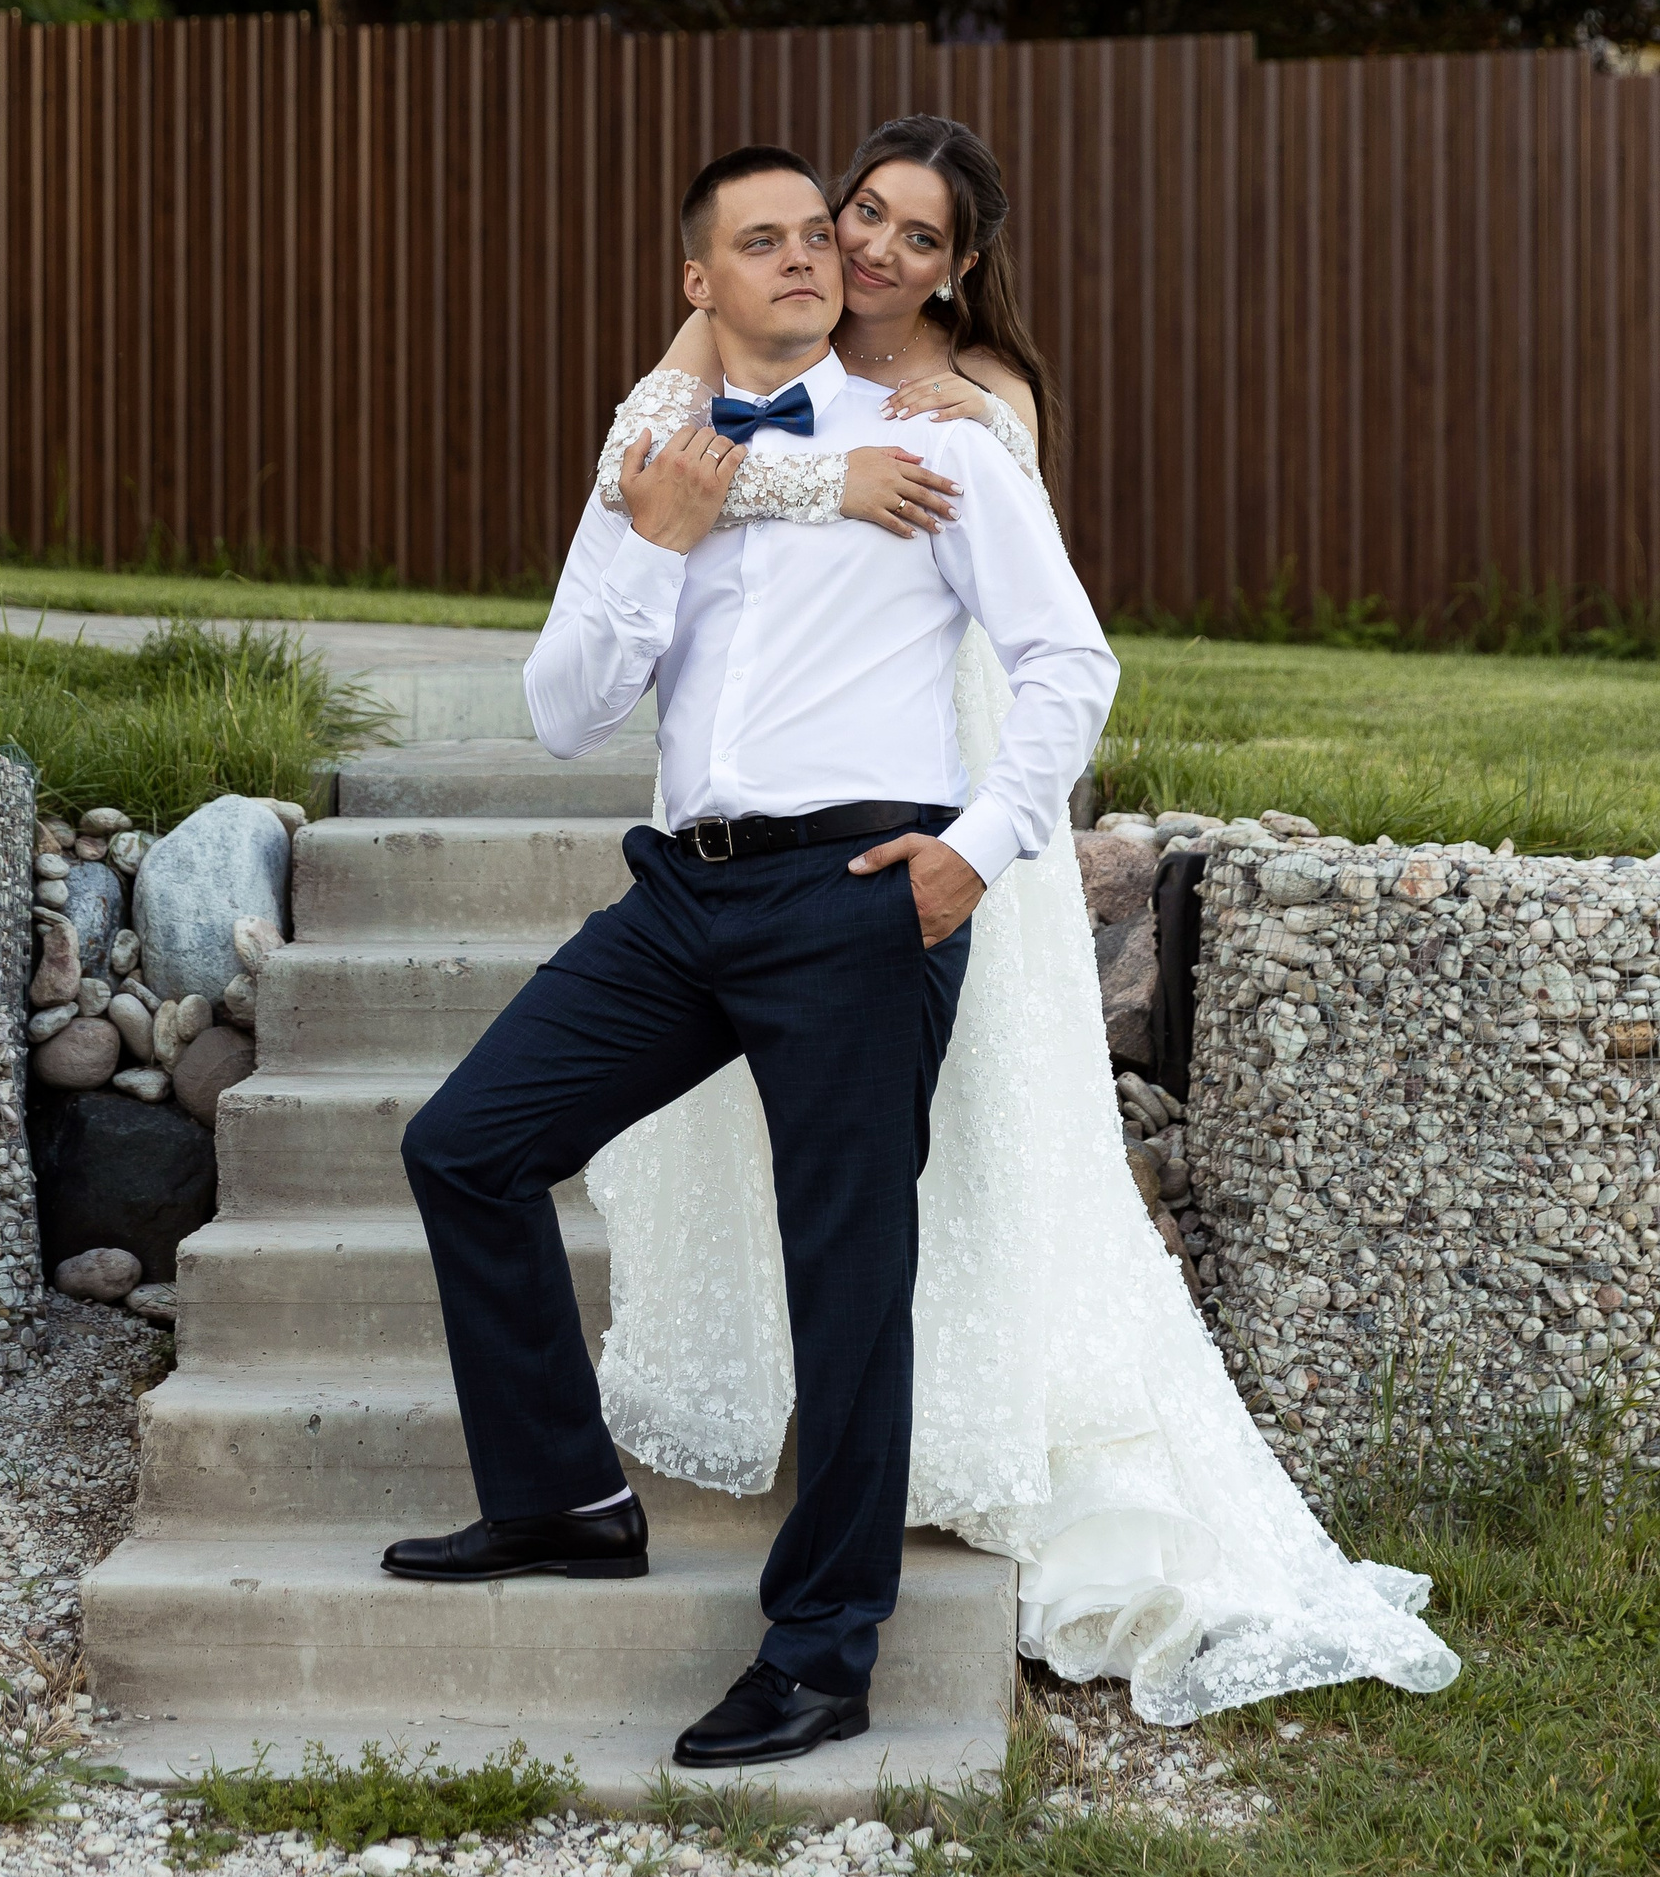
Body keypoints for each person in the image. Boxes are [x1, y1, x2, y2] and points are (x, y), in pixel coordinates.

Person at [583, 113, 1463, 1726]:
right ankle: (838, 1421)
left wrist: (976, 842)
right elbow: (644, 456)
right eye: (861, 213)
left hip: (936, 783)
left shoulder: (975, 396)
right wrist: (820, 471)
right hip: (777, 798)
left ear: (961, 264)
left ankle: (964, 1436)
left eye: (916, 235)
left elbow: (1047, 631)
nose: (873, 249)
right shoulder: (761, 344)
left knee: (962, 1129)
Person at [387, 141, 1119, 1770]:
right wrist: (655, 538)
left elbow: (1069, 659)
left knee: (846, 1266)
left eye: (817, 233)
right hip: (682, 897)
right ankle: (564, 1498)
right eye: (764, 239)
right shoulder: (655, 457)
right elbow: (562, 710)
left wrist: (977, 847)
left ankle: (823, 1648)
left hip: (860, 895)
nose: (807, 256)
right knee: (466, 1145)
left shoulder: (938, 443)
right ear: (698, 282)